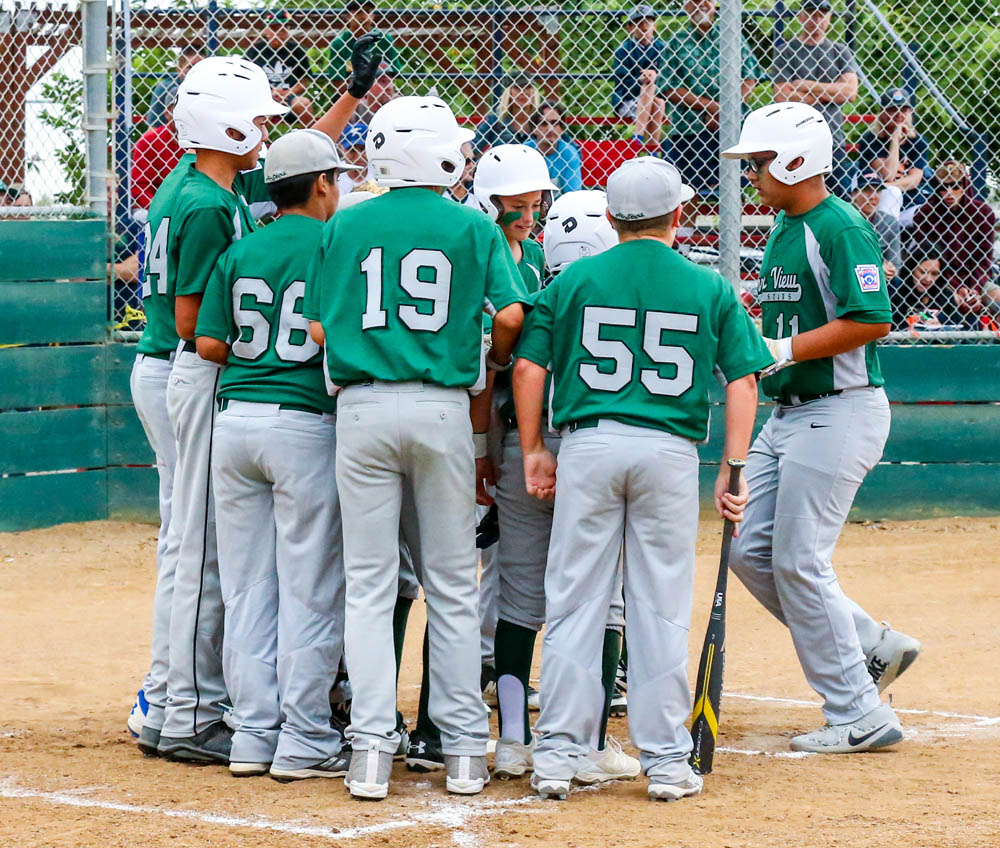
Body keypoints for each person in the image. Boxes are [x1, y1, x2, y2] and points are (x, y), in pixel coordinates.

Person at [128, 35, 385, 763]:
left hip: (207, 380)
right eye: (256, 121)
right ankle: (181, 706)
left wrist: (350, 99)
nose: (265, 133)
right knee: (198, 551)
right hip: (194, 371)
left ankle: (195, 701)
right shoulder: (207, 203)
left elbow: (298, 174)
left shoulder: (202, 182)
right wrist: (280, 346)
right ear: (226, 128)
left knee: (210, 553)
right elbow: (192, 324)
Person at [514, 156, 769, 801]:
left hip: (589, 444)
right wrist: (734, 467)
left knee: (574, 601)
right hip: (669, 451)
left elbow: (526, 368)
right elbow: (743, 379)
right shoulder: (707, 284)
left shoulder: (574, 280)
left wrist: (534, 448)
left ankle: (555, 758)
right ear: (678, 217)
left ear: (609, 216)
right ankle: (664, 762)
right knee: (656, 606)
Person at [304, 96, 530, 800]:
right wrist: (484, 354)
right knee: (453, 584)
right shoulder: (471, 224)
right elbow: (515, 314)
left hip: (363, 408)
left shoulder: (346, 223)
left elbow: (317, 328)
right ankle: (463, 748)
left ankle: (370, 748)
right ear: (432, 154)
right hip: (442, 411)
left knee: (370, 586)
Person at [721, 101, 920, 754]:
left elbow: (872, 318)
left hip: (839, 410)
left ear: (797, 162)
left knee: (799, 560)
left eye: (759, 164)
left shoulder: (839, 227)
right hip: (789, 414)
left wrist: (787, 350)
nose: (752, 176)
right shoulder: (784, 226)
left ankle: (859, 712)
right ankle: (868, 645)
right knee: (752, 552)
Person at [194, 129, 360, 781]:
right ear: (319, 184)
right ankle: (305, 738)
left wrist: (258, 362)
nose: (340, 188)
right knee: (310, 587)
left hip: (236, 424)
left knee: (247, 587)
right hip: (303, 424)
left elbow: (208, 343)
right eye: (336, 179)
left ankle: (253, 734)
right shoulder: (334, 241)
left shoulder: (243, 248)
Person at [489, 188, 637, 786]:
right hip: (591, 452)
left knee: (518, 597)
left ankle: (511, 742)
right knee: (604, 600)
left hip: (519, 449)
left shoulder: (532, 298)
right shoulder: (621, 294)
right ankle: (592, 741)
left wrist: (522, 450)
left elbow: (506, 372)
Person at [660, 0, 765, 196]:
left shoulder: (733, 37)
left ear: (716, 4)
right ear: (685, 6)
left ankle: (735, 225)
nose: (701, 4)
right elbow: (669, 88)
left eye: (706, 0)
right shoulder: (676, 41)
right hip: (690, 128)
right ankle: (687, 228)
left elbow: (750, 79)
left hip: (732, 125)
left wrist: (725, 111)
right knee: (686, 189)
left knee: (736, 186)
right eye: (694, 1)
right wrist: (713, 107)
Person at [771, 0, 859, 198]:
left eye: (822, 14)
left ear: (829, 18)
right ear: (801, 16)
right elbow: (782, 96)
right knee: (795, 198)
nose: (816, 19)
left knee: (836, 198)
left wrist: (803, 84)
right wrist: (830, 93)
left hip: (831, 138)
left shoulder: (840, 51)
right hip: (796, 139)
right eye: (811, 14)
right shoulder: (786, 51)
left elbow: (850, 92)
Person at [911, 160, 997, 291]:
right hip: (940, 280)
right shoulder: (924, 214)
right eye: (943, 187)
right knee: (952, 299)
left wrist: (974, 289)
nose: (949, 192)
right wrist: (959, 288)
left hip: (976, 279)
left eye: (955, 186)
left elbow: (984, 259)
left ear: (965, 185)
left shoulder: (983, 212)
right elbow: (928, 258)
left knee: (996, 295)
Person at [856, 88, 930, 222]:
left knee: (931, 212)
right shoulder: (871, 140)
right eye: (893, 109)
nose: (899, 114)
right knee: (892, 193)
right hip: (878, 203)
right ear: (882, 113)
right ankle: (888, 241)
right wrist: (895, 138)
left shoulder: (918, 142)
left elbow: (914, 180)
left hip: (911, 203)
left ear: (910, 113)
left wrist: (885, 185)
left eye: (904, 110)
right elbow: (888, 174)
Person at [246, 10, 315, 126]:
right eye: (274, 28)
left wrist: (288, 93)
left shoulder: (297, 50)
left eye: (283, 28)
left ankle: (310, 138)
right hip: (264, 96)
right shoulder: (256, 49)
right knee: (261, 113)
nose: (279, 33)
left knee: (304, 104)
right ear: (267, 31)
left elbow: (304, 81)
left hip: (290, 95)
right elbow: (247, 78)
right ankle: (261, 142)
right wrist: (270, 93)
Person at [612, 5, 668, 145]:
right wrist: (640, 81)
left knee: (658, 100)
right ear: (629, 28)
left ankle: (638, 137)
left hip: (658, 99)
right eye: (638, 22)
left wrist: (655, 77)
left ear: (654, 26)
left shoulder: (664, 49)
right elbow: (623, 83)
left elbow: (671, 78)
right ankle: (651, 150)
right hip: (629, 100)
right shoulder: (623, 51)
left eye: (647, 21)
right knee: (649, 88)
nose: (643, 26)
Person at [328, 1, 402, 81]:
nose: (363, 16)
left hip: (381, 89)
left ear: (373, 15)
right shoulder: (339, 43)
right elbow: (337, 81)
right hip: (352, 91)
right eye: (358, 11)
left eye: (367, 11)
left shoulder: (384, 39)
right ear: (348, 16)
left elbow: (395, 72)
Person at [131, 100, 184, 212]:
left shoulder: (203, 141)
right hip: (158, 207)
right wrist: (160, 210)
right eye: (176, 109)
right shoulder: (149, 141)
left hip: (196, 205)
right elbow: (140, 187)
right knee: (141, 215)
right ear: (167, 113)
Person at [850, 170, 901, 276]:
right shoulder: (845, 219)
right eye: (866, 190)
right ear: (854, 194)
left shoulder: (889, 222)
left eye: (877, 190)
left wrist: (890, 270)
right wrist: (877, 268)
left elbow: (895, 263)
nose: (873, 196)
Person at [525, 103, 583, 196]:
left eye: (555, 123)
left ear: (562, 129)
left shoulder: (569, 154)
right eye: (543, 123)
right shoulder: (525, 152)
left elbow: (574, 195)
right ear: (534, 129)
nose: (550, 129)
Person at [473, 75, 539, 153]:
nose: (523, 92)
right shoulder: (494, 120)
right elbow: (474, 145)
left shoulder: (541, 120)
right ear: (509, 92)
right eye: (517, 88)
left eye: (528, 87)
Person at [145, 46, 202, 128]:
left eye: (199, 66)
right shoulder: (166, 87)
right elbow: (154, 128)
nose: (195, 71)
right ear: (179, 69)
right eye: (190, 67)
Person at [337, 122, 372, 193]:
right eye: (352, 150)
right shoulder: (335, 176)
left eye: (363, 149)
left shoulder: (377, 173)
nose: (359, 156)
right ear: (341, 148)